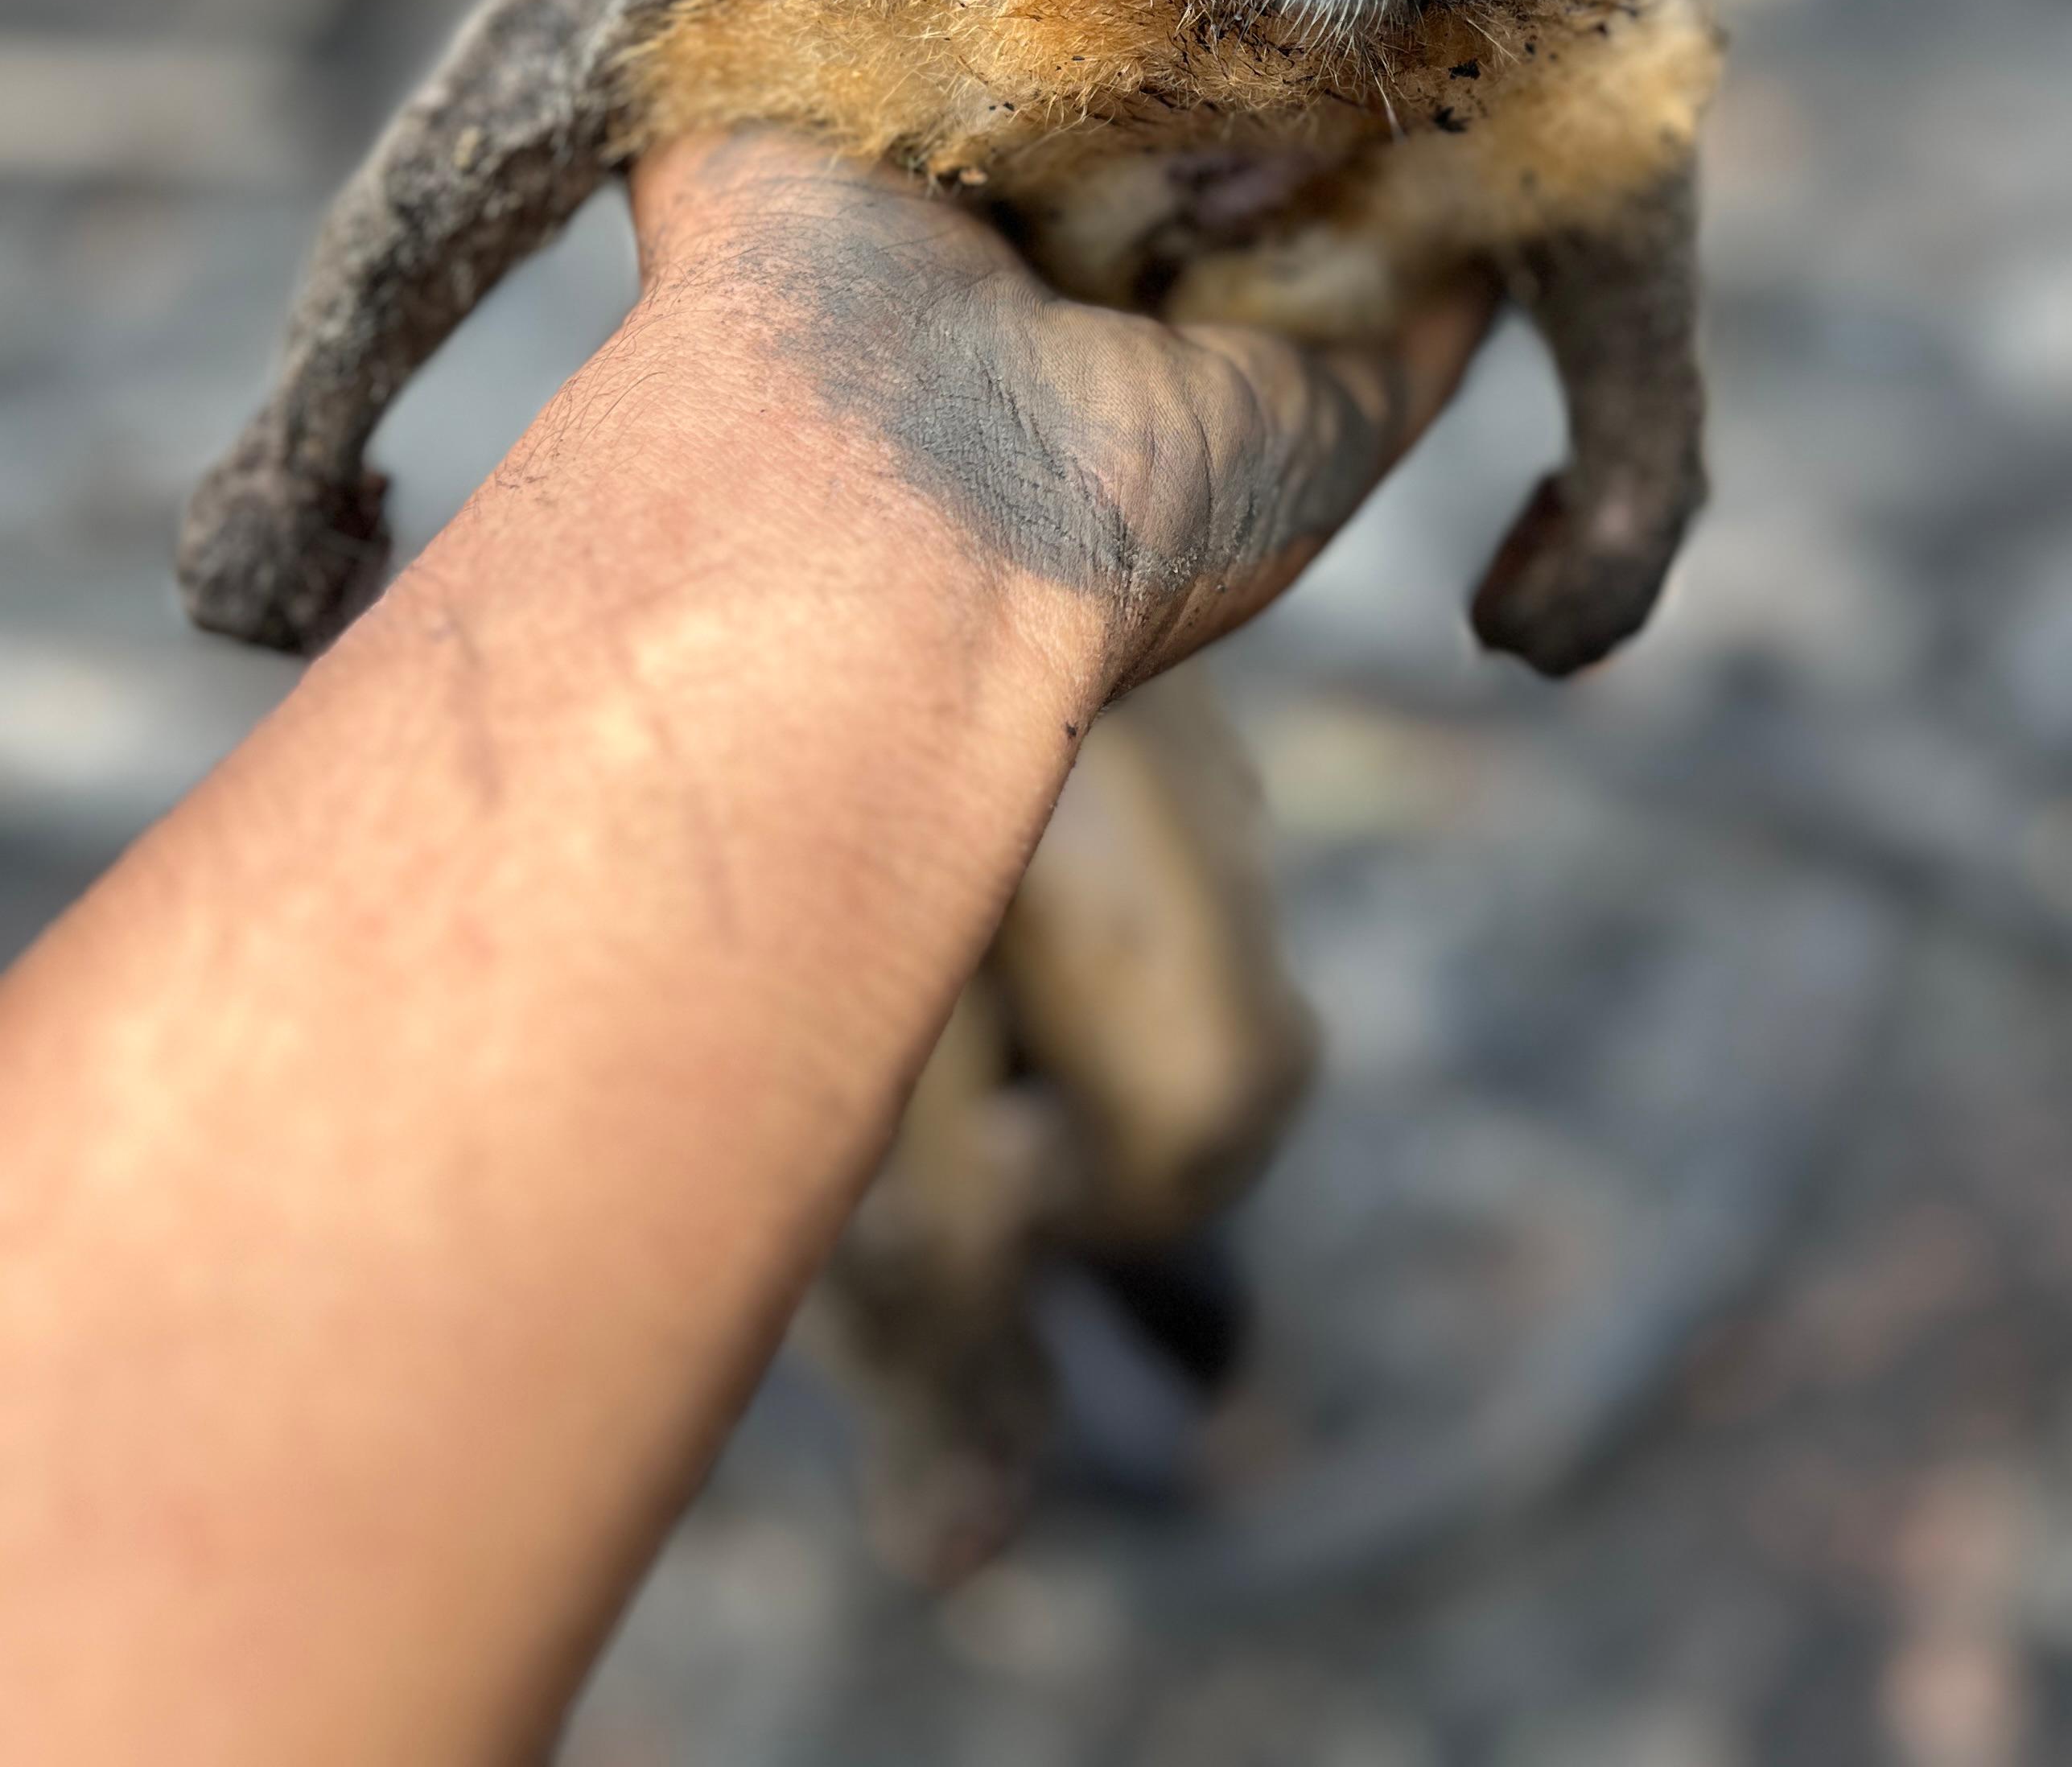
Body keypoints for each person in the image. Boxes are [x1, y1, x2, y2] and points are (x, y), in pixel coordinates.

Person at [0, 127, 1489, 1763]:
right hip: (832, 638)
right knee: (921, 1229)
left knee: (1195, 1100)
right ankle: (967, 1414)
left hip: (1014, 590)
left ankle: (1107, 1328)